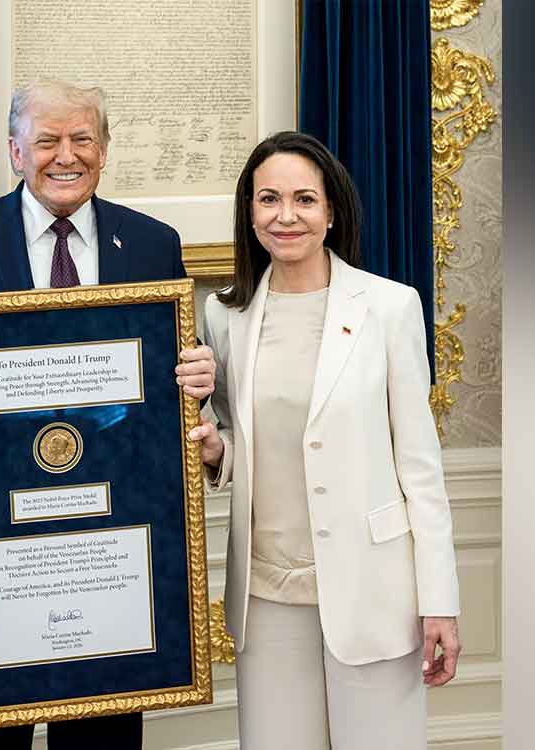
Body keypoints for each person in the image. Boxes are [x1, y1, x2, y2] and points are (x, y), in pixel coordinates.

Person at [0, 80, 216, 750]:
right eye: (49, 139)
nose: (67, 155)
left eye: (83, 139)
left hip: (110, 540)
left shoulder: (150, 243)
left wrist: (196, 373)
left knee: (103, 738)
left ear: (104, 150)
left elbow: (165, 370)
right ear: (14, 150)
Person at [187, 131, 462, 749]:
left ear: (331, 211)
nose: (286, 216)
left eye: (304, 200)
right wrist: (215, 451)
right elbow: (237, 434)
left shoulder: (390, 307)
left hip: (374, 589)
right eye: (268, 200)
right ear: (249, 212)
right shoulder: (225, 316)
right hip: (266, 595)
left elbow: (420, 466)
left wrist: (439, 601)